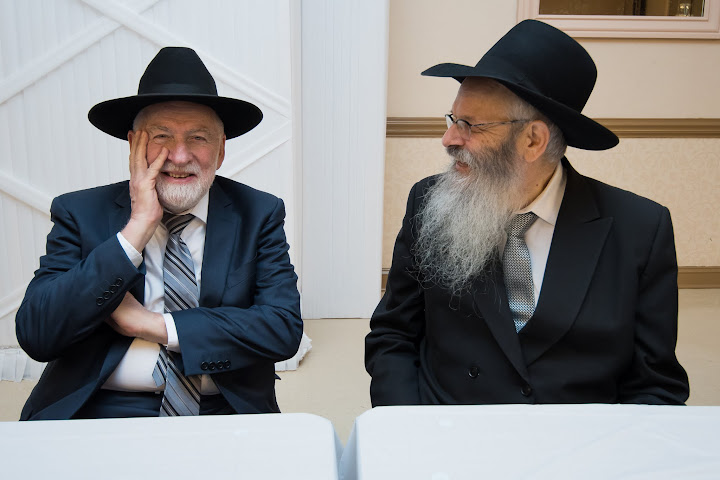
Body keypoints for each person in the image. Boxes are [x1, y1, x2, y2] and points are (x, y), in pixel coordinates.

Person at [365, 20, 689, 406]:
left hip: (575, 436)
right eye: (453, 119)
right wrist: (406, 424)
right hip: (449, 425)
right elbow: (393, 336)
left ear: (533, 140)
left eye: (470, 125)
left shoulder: (640, 230)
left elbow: (655, 386)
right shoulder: (429, 201)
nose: (449, 139)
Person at [16, 47, 302, 419]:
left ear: (220, 152)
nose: (179, 156)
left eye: (198, 138)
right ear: (134, 145)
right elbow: (37, 334)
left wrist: (155, 325)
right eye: (162, 136)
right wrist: (135, 230)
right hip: (101, 407)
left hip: (223, 410)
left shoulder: (258, 213)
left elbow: (282, 329)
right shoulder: (80, 212)